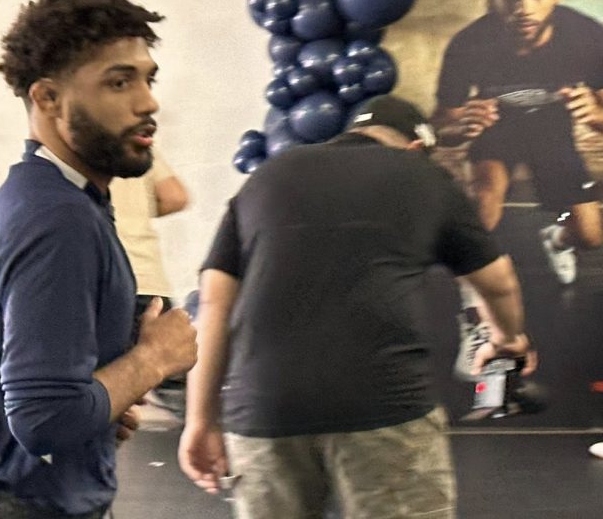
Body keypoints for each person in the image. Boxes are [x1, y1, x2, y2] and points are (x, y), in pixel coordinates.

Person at [179, 96, 535, 518]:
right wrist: (507, 339)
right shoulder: (422, 174)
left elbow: (214, 306)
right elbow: (498, 283)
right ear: (416, 146)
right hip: (382, 401)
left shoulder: (268, 175)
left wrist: (199, 420)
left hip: (262, 408)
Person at [0, 0, 197, 519]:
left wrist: (98, 397)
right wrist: (152, 360)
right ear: (48, 98)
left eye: (148, 79)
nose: (148, 101)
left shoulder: (36, 194)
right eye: (119, 83)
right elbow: (45, 420)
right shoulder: (58, 217)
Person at [431, 0, 603, 285]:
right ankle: (475, 297)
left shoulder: (587, 37)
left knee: (590, 235)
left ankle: (556, 239)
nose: (523, 7)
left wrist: (596, 115)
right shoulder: (469, 44)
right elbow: (441, 123)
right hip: (497, 133)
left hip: (553, 135)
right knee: (482, 209)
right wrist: (461, 127)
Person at [109, 150, 189, 416]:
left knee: (99, 391)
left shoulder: (73, 147)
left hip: (104, 283)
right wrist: (137, 212)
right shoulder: (139, 146)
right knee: (175, 383)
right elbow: (175, 197)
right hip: (149, 280)